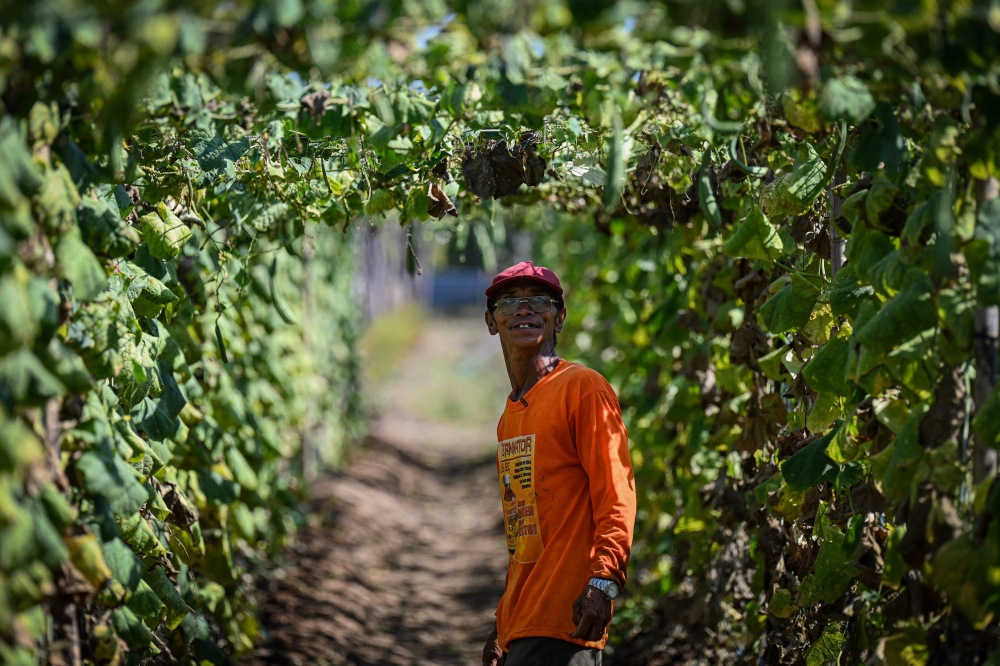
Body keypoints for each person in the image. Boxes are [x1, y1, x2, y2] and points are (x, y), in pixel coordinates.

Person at [481, 261, 637, 666]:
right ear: (491, 322)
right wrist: (504, 623)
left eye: (539, 301)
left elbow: (617, 493)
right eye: (509, 302)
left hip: (565, 620)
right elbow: (525, 531)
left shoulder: (582, 388)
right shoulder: (509, 415)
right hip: (523, 626)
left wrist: (603, 582)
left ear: (560, 317)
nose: (524, 310)